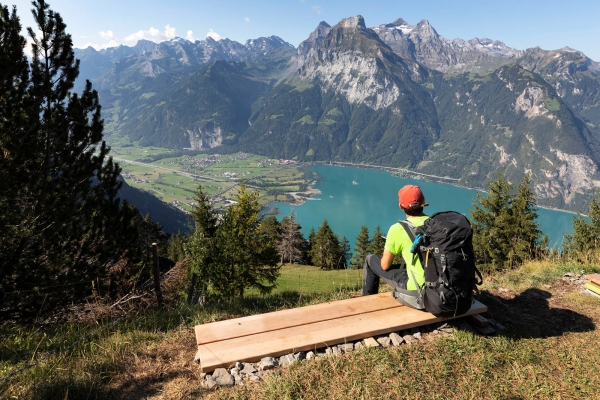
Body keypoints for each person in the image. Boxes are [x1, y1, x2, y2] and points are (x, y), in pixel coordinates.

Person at [362, 184, 429, 300]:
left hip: (417, 289)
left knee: (370, 260)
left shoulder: (397, 229)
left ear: (400, 206)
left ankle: (366, 302)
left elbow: (384, 265)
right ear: (423, 203)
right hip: (440, 285)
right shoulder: (434, 224)